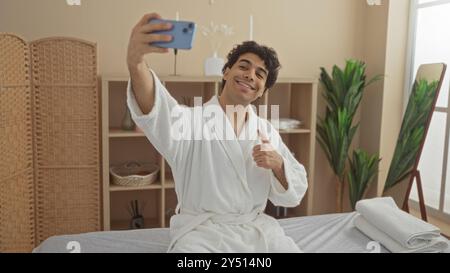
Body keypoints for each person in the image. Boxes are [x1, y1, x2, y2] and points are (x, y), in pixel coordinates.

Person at [126, 13, 308, 252]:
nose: (250, 75)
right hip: (201, 235)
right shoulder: (190, 121)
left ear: (261, 91)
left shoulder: (266, 131)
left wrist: (278, 165)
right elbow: (157, 109)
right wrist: (136, 62)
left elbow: (294, 194)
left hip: (255, 231)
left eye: (260, 74)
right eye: (243, 66)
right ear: (225, 72)